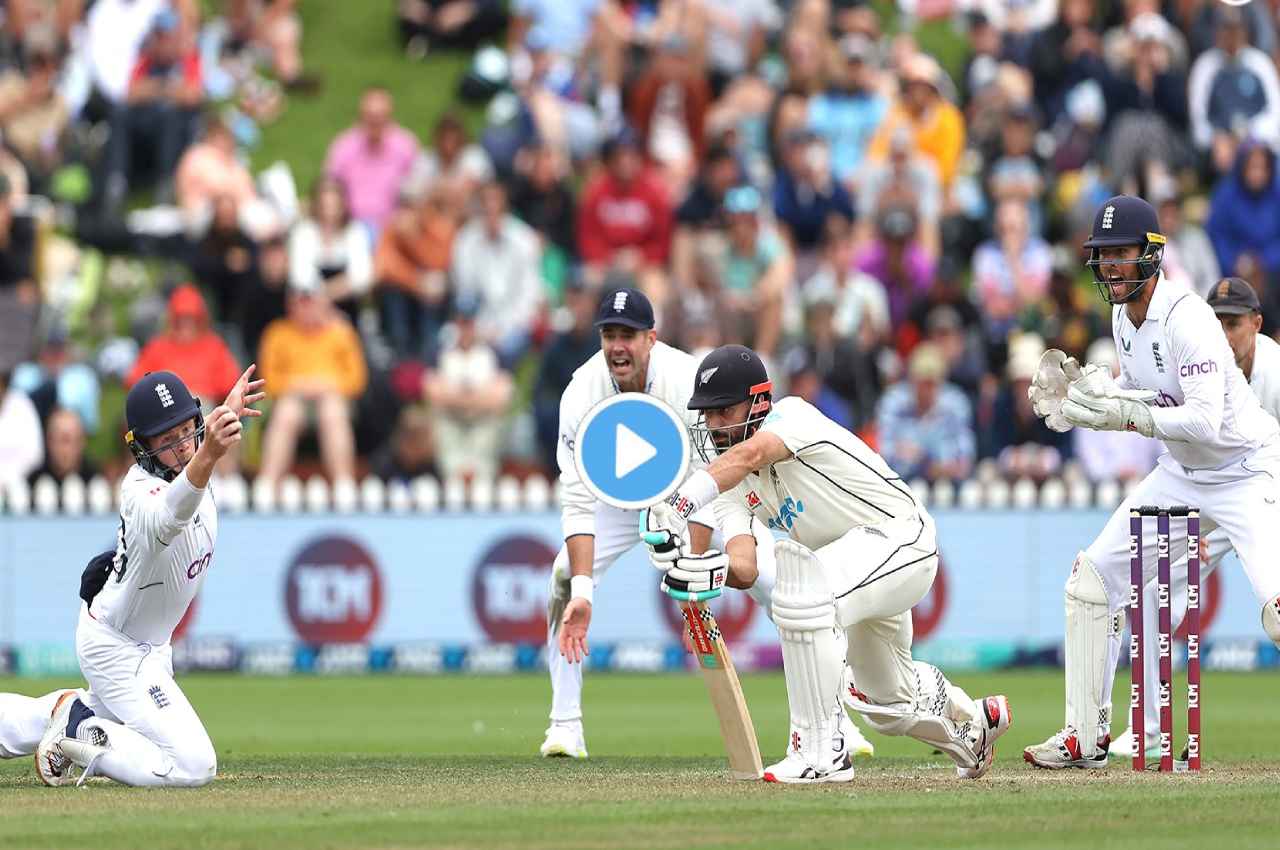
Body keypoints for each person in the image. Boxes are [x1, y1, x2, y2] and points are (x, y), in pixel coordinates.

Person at [615, 344, 1011, 784]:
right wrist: (709, 570)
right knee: (886, 705)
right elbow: (745, 566)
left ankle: (821, 751)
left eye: (723, 410)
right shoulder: (730, 483)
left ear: (758, 401)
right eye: (706, 414)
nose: (713, 424)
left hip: (904, 540)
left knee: (803, 592)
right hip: (856, 571)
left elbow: (749, 455)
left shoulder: (791, 417)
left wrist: (678, 505)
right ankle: (973, 724)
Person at [1024, 196, 1280, 769]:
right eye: (1103, 255)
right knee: (1090, 581)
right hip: (1181, 475)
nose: (1111, 266)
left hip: (1247, 469)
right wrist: (1089, 399)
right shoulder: (1121, 318)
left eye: (1122, 253)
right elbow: (1145, 393)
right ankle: (1083, 737)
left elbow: (1203, 419)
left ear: (1152, 254)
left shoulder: (1188, 317)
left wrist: (1122, 413)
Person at [0, 366, 263, 786]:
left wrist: (216, 427)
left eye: (187, 431)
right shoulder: (139, 492)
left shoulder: (195, 465)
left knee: (49, 718)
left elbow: (193, 469)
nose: (181, 447)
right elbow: (170, 517)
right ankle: (77, 728)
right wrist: (209, 452)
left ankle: (69, 712)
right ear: (141, 448)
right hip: (117, 646)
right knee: (194, 766)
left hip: (150, 644)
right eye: (166, 440)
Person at [1111, 276, 1280, 759]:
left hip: (1262, 488)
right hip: (1203, 489)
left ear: (1256, 323)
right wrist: (1193, 523)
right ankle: (1143, 730)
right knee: (1152, 593)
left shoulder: (1274, 369)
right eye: (1217, 321)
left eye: (1234, 323)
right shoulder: (1189, 354)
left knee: (1277, 615)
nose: (1224, 333)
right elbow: (1173, 432)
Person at [256, 278, 368, 484]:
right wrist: (297, 385)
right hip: (291, 399)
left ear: (323, 303)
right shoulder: (277, 332)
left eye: (311, 302)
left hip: (333, 398)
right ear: (291, 305)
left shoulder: (341, 332)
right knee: (287, 412)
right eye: (300, 303)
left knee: (332, 411)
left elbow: (357, 380)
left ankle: (344, 482)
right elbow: (268, 380)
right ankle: (268, 482)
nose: (306, 309)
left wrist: (327, 385)